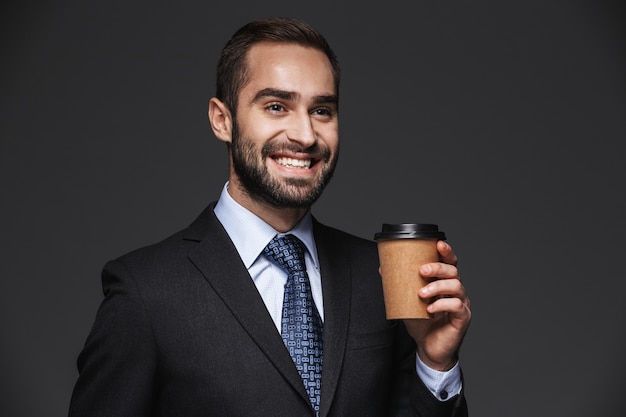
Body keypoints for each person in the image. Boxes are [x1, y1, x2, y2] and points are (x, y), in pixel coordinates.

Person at [68, 17, 471, 417]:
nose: (306, 135)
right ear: (222, 120)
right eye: (277, 106)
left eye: (322, 110)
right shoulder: (145, 292)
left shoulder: (378, 275)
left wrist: (435, 364)